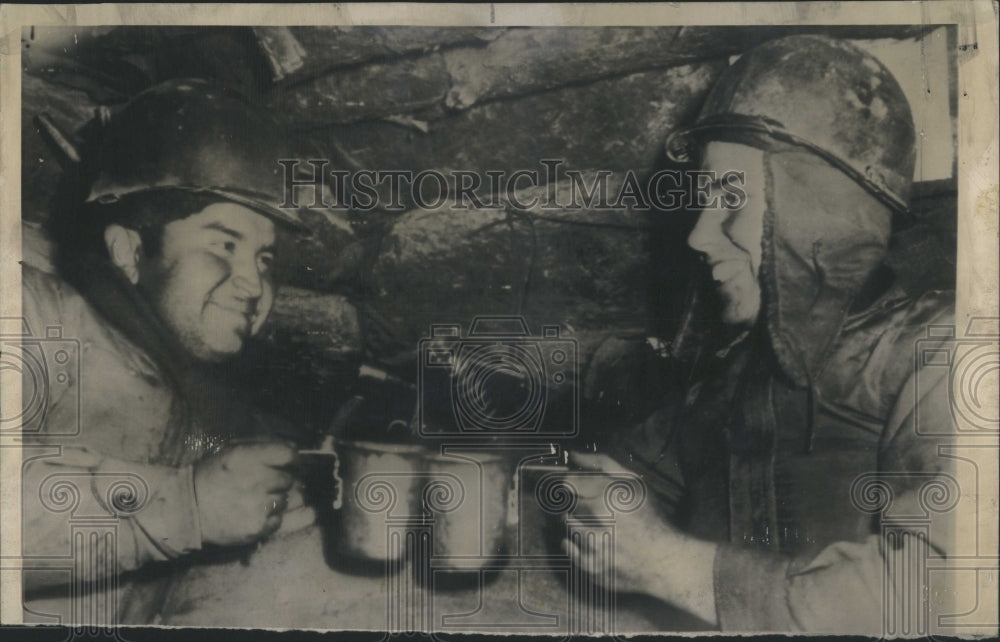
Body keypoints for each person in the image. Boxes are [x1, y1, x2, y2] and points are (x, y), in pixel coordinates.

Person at [562, 35, 957, 633]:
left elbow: (936, 594)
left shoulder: (942, 353)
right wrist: (587, 497)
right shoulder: (743, 362)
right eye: (703, 199)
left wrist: (672, 568)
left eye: (731, 199)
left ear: (817, 211)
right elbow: (637, 475)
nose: (698, 237)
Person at [20, 79, 314, 624]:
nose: (253, 285)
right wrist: (187, 506)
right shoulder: (31, 315)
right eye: (224, 245)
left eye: (265, 259)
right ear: (129, 251)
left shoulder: (205, 399)